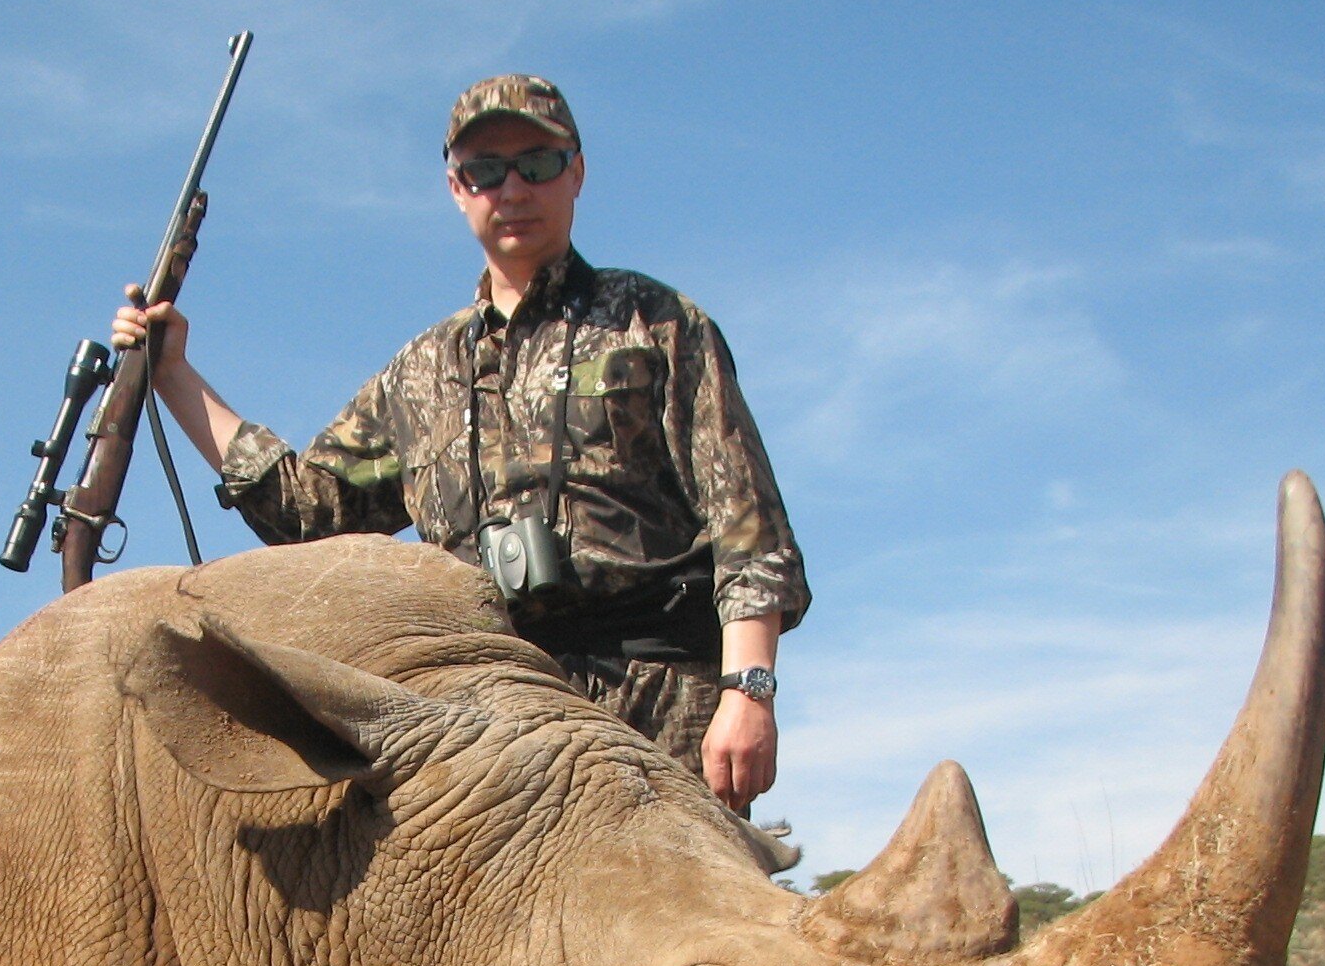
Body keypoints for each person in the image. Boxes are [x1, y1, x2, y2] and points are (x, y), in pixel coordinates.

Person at [115, 73, 807, 815]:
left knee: (673, 927)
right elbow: (304, 508)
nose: (512, 189)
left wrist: (749, 690)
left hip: (659, 702)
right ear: (456, 187)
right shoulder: (422, 370)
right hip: (484, 720)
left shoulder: (659, 324)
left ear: (576, 172)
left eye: (537, 164)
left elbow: (748, 530)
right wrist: (177, 377)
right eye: (485, 171)